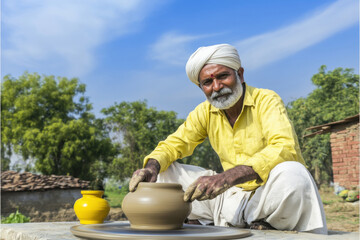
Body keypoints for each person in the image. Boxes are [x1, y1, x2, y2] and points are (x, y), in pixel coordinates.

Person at [129, 44, 327, 234]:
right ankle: (204, 220)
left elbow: (284, 147)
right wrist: (151, 167)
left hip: (267, 197)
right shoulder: (204, 112)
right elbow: (174, 144)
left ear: (239, 74)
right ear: (201, 87)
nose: (217, 87)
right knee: (164, 171)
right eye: (207, 82)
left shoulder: (266, 100)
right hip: (227, 199)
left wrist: (226, 177)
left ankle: (266, 226)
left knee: (294, 172)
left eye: (223, 76)